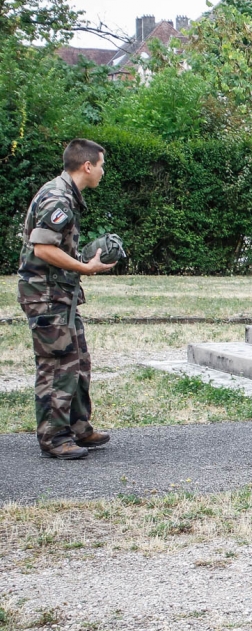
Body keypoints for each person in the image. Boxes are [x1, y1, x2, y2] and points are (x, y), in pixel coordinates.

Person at [18, 138, 116, 460]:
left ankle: (77, 427)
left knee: (78, 361)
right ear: (87, 166)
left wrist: (82, 260)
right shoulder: (57, 197)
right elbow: (43, 248)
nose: (102, 171)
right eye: (101, 165)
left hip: (61, 293)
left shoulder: (66, 196)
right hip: (45, 296)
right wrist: (84, 268)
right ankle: (54, 438)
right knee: (58, 365)